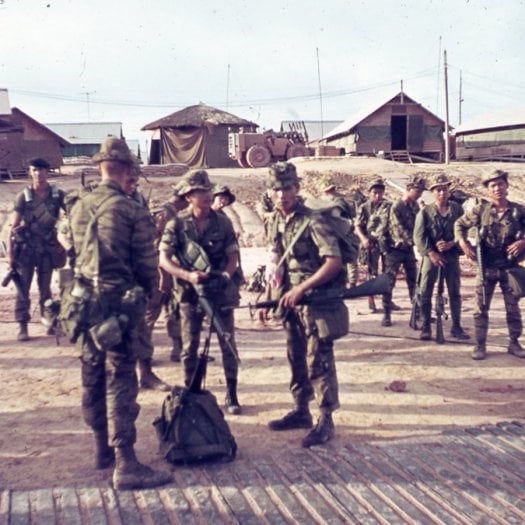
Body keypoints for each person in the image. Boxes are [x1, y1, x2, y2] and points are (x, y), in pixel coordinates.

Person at [67, 138, 171, 490]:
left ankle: (101, 451)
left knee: (91, 376)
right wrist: (151, 299)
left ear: (100, 167)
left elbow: (72, 251)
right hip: (120, 307)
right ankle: (126, 464)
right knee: (120, 382)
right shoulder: (131, 211)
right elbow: (146, 267)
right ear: (126, 169)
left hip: (83, 306)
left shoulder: (78, 205)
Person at [261, 162, 348, 448]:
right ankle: (301, 410)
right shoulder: (274, 220)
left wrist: (301, 288)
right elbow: (276, 262)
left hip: (314, 300)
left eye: (287, 188)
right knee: (295, 356)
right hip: (288, 300)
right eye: (276, 189)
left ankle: (325, 419)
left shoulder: (313, 220)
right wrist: (268, 296)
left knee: (318, 359)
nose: (282, 194)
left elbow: (333, 262)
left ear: (297, 189)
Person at [159, 170, 243, 415]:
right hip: (189, 292)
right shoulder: (177, 224)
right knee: (189, 347)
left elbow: (232, 256)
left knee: (227, 342)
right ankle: (191, 392)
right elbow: (164, 259)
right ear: (188, 197)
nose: (207, 195)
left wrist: (226, 276)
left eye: (208, 190)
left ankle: (232, 393)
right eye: (200, 192)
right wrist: (187, 276)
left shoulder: (222, 221)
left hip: (219, 290)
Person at [455, 169, 525, 360]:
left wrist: (523, 241)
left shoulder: (518, 211)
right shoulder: (481, 211)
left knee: (513, 308)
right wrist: (463, 243)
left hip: (509, 268)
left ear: (506, 186)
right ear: (487, 189)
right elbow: (459, 225)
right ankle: (480, 345)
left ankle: (514, 343)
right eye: (493, 185)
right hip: (486, 268)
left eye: (500, 184)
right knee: (481, 308)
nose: (497, 188)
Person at [6, 157, 65, 341]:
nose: (39, 174)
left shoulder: (57, 195)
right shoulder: (24, 197)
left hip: (47, 249)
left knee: (45, 289)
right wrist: (10, 254)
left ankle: (49, 323)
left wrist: (63, 242)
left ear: (47, 172)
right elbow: (13, 227)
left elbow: (72, 217)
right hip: (27, 249)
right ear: (31, 172)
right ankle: (23, 325)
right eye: (35, 170)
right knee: (23, 289)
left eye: (42, 170)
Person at [123, 170, 171, 392]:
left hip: (139, 268)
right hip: (115, 273)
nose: (133, 185)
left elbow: (147, 235)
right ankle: (117, 374)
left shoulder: (138, 200)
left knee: (142, 324)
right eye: (129, 180)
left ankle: (146, 373)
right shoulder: (106, 202)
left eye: (135, 181)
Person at [413, 173, 469, 341]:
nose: (442, 193)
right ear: (433, 192)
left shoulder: (457, 209)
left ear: (448, 190)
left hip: (451, 256)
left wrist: (452, 243)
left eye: (444, 189)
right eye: (438, 190)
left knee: (454, 291)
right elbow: (418, 236)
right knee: (425, 291)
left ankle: (456, 326)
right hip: (431, 257)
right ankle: (426, 326)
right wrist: (432, 253)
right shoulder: (425, 212)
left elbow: (464, 229)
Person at [386, 175, 425, 321]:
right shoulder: (397, 206)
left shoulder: (415, 206)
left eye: (421, 191)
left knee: (414, 281)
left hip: (408, 250)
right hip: (395, 250)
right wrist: (418, 243)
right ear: (409, 189)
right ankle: (386, 314)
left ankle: (417, 312)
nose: (420, 194)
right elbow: (399, 230)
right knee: (389, 282)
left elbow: (418, 226)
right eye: (417, 191)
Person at [355, 176, 393, 324]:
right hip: (370, 244)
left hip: (385, 243)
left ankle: (387, 301)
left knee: (388, 274)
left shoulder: (388, 206)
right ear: (370, 193)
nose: (377, 195)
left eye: (380, 192)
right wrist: (363, 239)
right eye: (375, 192)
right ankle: (371, 300)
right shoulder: (364, 207)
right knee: (372, 273)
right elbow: (357, 226)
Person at [320, 176, 360, 287]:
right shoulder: (322, 201)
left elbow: (345, 215)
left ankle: (351, 284)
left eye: (331, 190)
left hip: (344, 233)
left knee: (349, 258)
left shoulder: (339, 201)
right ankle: (341, 284)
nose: (330, 192)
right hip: (331, 235)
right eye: (328, 191)